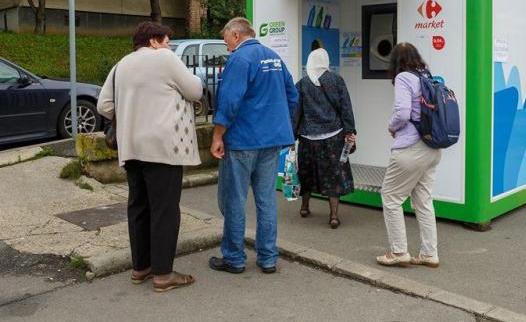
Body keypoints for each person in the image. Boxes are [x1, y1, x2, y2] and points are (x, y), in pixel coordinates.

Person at [98, 22, 203, 292]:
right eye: (167, 41)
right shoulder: (165, 58)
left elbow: (104, 105)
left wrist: (131, 111)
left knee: (139, 207)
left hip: (130, 147)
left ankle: (141, 267)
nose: (169, 46)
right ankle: (164, 274)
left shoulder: (121, 65)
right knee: (164, 210)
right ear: (154, 41)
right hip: (162, 147)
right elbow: (195, 91)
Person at [209, 17, 298, 275]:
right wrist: (276, 122)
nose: (226, 46)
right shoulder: (273, 57)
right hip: (271, 141)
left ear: (236, 35)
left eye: (226, 40)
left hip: (242, 140)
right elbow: (292, 96)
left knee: (234, 200)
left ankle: (234, 258)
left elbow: (229, 102)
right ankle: (268, 258)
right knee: (266, 199)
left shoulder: (240, 59)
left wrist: (217, 136)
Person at [377, 42, 442, 268]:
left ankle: (399, 252)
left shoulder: (404, 78)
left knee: (390, 197)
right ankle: (429, 254)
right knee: (423, 201)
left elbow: (403, 113)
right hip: (432, 148)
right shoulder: (427, 77)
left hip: (411, 148)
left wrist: (392, 126)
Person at [293, 48, 356, 228]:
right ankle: (334, 216)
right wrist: (350, 131)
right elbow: (346, 107)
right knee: (333, 175)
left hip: (307, 137)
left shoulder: (302, 84)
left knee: (306, 172)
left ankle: (304, 207)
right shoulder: (336, 80)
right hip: (333, 136)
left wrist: (292, 135)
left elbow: (296, 113)